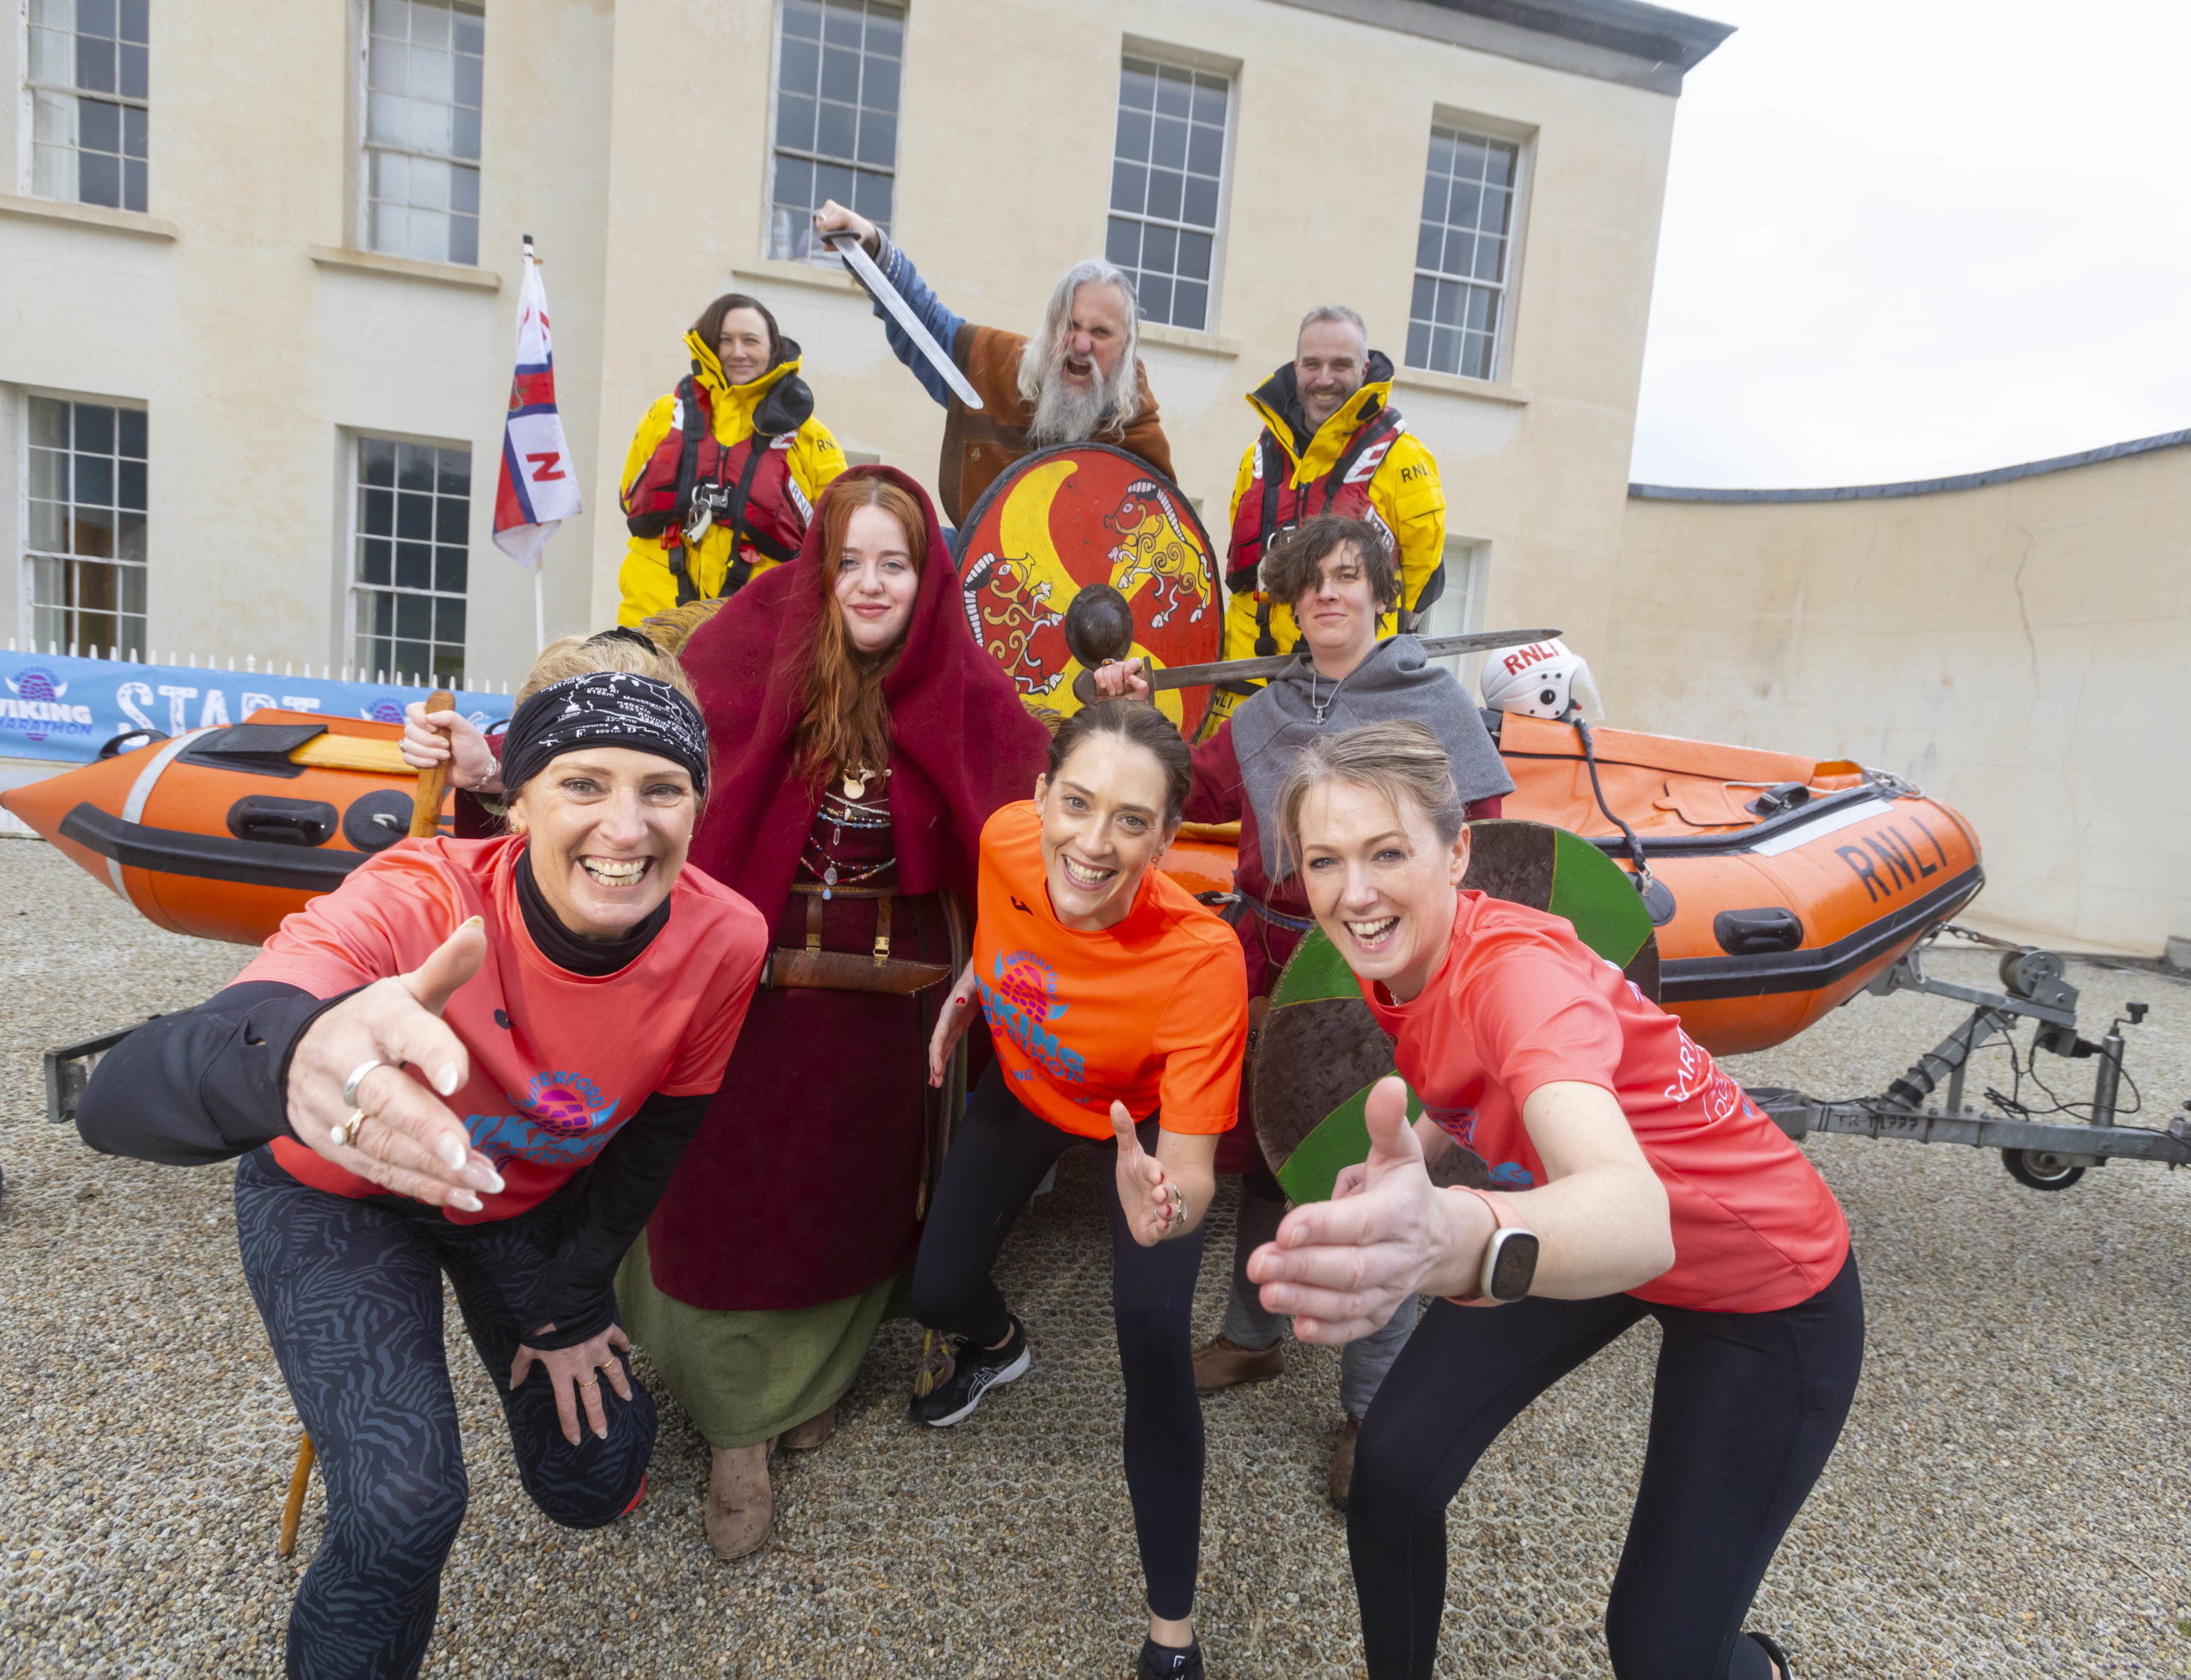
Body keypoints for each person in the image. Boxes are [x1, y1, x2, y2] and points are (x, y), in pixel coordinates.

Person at [76, 654, 768, 1680]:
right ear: (518, 800)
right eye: (584, 782)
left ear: (697, 809)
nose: (627, 828)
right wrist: (291, 1059)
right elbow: (118, 1098)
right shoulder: (419, 894)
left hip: (506, 1201)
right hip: (337, 1198)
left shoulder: (727, 937)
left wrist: (575, 1301)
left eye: (660, 788)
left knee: (598, 1478)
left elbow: (662, 1132)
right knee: (405, 1504)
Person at [1248, 721, 1862, 1680]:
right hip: (1579, 1231)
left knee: (1659, 1654)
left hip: (1765, 1284)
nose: (1353, 892)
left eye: (1385, 853)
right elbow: (1467, 1077)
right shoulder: (1398, 950)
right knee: (1395, 1466)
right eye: (1325, 860)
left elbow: (1635, 1217)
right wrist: (1417, 1153)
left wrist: (1454, 1235)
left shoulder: (1518, 978)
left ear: (1456, 851)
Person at [617, 466, 1053, 1560]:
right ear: (821, 564)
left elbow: (1051, 804)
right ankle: (735, 1434)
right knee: (729, 1194)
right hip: (748, 976)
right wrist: (499, 766)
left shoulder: (962, 680)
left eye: (893, 563)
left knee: (848, 1196)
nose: (869, 583)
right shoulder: (743, 649)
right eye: (848, 560)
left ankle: (810, 1381)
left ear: (926, 575)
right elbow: (627, 759)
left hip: (892, 996)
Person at [1095, 515, 1511, 1508]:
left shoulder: (1430, 705)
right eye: (1311, 581)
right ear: (1290, 600)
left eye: (1346, 577)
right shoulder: (1268, 710)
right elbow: (1186, 782)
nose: (1328, 594)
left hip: (1378, 973)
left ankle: (1375, 1407)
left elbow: (1484, 850)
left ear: (1379, 593)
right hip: (1272, 962)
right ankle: (1252, 1337)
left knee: (1365, 1180)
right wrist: (1139, 715)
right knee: (1272, 1167)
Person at [910, 699, 1250, 1680]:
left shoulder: (1198, 957)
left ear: (1167, 836)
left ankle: (1172, 1635)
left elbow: (1185, 1171)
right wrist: (975, 983)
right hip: (1021, 1090)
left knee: (1151, 1341)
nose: (1093, 843)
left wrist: (1164, 1203)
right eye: (1077, 803)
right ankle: (1002, 1346)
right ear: (1040, 797)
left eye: (1131, 821)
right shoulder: (1008, 838)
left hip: (1134, 1140)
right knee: (932, 1294)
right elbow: (1006, 920)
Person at [810, 199, 1173, 525]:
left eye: (1100, 332)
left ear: (1126, 348)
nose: (1080, 344)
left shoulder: (1140, 437)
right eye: (1070, 325)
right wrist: (872, 246)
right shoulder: (1002, 368)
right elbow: (927, 325)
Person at [1206, 306, 1448, 733]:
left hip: (1349, 705)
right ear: (1296, 365)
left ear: (1365, 367)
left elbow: (1420, 582)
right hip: (1245, 695)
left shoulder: (1405, 459)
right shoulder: (1257, 458)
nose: (1324, 379)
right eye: (1312, 364)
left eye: (1341, 365)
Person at [616, 290, 848, 624]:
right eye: (726, 340)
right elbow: (629, 498)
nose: (738, 352)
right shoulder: (664, 416)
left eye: (750, 340)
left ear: (773, 347)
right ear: (710, 343)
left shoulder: (811, 438)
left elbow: (842, 539)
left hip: (758, 624)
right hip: (652, 618)